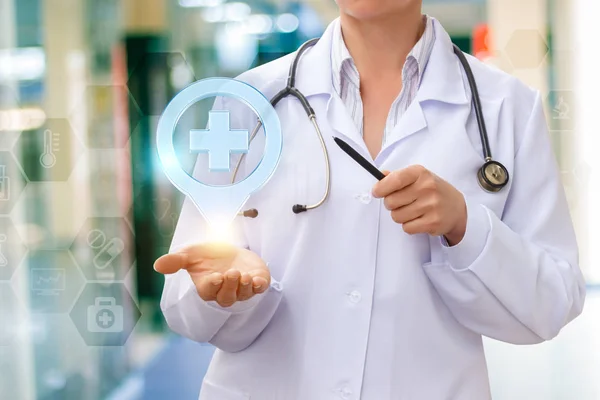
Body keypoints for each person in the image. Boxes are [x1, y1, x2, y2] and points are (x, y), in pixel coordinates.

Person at [153, 0, 586, 398]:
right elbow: (181, 299)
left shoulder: (505, 108)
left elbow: (551, 304)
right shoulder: (248, 104)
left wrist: (465, 226)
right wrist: (225, 289)